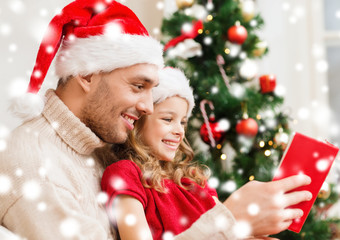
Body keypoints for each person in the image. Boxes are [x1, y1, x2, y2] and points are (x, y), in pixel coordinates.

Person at [0, 0, 311, 239]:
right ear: (86, 74)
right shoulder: (33, 164)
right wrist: (227, 224)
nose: (149, 106)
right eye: (138, 86)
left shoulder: (104, 148)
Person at [100, 68, 313, 240]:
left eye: (182, 122)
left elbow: (227, 230)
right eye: (168, 119)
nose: (179, 130)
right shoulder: (125, 174)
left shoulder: (192, 181)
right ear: (138, 123)